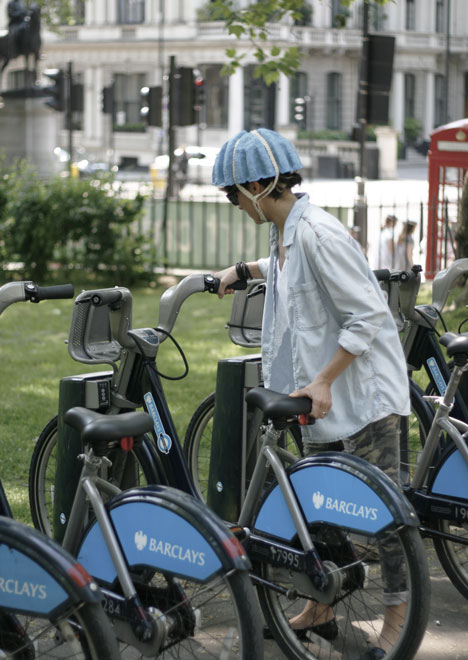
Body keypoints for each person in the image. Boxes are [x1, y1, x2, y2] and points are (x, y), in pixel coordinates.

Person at [212, 128, 410, 657]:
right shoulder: (285, 232)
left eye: (233, 193)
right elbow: (284, 270)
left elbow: (367, 315)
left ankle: (397, 612)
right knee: (316, 505)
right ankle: (323, 604)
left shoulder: (320, 234)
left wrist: (325, 378)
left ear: (259, 183)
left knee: (384, 514)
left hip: (359, 395)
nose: (233, 204)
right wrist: (240, 271)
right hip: (312, 396)